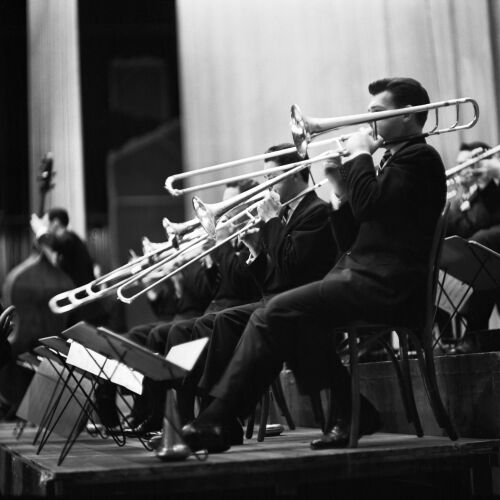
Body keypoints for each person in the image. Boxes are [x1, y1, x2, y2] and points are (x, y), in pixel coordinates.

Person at [180, 77, 446, 453]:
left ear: (410, 117)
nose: (365, 121)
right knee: (288, 317)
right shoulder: (393, 162)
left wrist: (358, 159)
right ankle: (352, 409)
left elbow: (369, 209)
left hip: (390, 285)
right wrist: (341, 190)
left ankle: (219, 419)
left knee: (275, 313)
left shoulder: (420, 159)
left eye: (377, 113)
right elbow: (354, 235)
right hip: (364, 277)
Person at [163, 142, 338, 444]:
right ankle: (210, 416)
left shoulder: (316, 212)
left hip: (304, 304)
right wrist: (256, 251)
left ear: (297, 173)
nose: (268, 184)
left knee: (226, 320)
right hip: (276, 300)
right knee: (214, 322)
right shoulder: (283, 216)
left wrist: (270, 225)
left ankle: (219, 418)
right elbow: (271, 280)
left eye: (274, 176)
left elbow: (292, 270)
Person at [445, 142, 500, 354]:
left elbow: (490, 218)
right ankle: (447, 341)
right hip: (467, 264)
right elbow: (452, 228)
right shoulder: (456, 198)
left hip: (484, 259)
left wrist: (486, 180)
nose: (463, 169)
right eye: (459, 164)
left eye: (468, 164)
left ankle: (472, 336)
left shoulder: (488, 191)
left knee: (481, 247)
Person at [30, 207, 107, 326]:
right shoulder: (70, 240)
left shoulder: (69, 238)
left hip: (86, 311)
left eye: (45, 222)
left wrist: (40, 230)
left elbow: (54, 243)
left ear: (55, 223)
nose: (44, 226)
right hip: (78, 308)